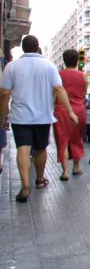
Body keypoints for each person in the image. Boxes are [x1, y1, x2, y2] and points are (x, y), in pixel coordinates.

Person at [0, 35, 79, 202]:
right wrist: (70, 112)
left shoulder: (11, 67)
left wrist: (3, 115)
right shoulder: (49, 66)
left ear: (23, 48)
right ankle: (40, 178)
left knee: (23, 148)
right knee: (41, 148)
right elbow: (59, 89)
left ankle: (25, 184)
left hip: (20, 117)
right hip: (43, 117)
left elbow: (5, 93)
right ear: (37, 47)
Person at [53, 49, 87, 180]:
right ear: (77, 60)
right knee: (76, 138)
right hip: (79, 109)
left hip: (61, 110)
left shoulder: (58, 74)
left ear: (64, 60)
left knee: (63, 140)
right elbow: (83, 94)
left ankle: (65, 171)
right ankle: (76, 166)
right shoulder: (83, 75)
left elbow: (55, 91)